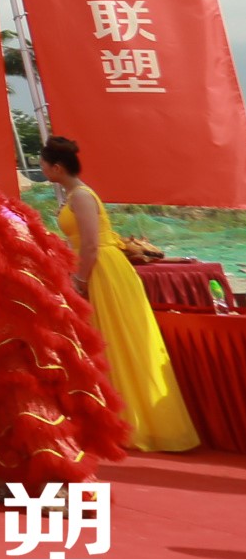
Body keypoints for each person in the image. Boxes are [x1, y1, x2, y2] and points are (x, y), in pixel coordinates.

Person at [44, 136, 200, 451]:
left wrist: (80, 280)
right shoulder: (75, 195)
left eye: (44, 164)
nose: (42, 169)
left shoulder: (81, 196)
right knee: (106, 342)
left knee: (118, 341)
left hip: (102, 270)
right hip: (95, 266)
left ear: (57, 167)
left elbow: (90, 243)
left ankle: (134, 422)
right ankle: (116, 420)